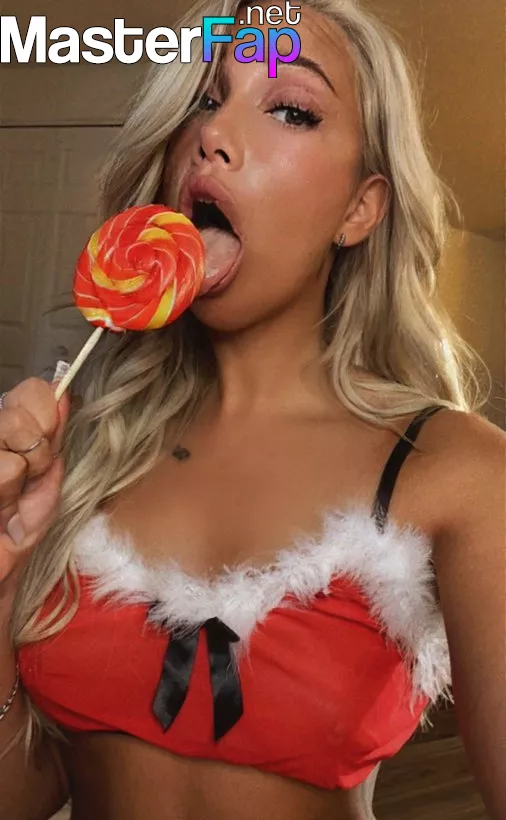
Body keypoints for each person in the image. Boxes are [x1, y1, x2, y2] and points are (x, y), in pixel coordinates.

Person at [0, 1, 504, 819]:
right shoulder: (81, 451)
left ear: (360, 208)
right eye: (204, 100)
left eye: (291, 110)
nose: (212, 135)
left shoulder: (460, 473)